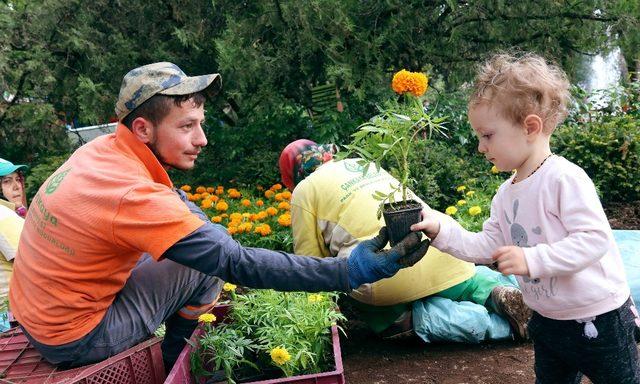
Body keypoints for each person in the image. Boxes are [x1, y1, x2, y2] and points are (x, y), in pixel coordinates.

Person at [8, 62, 430, 371]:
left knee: (202, 245)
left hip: (35, 315)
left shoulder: (101, 153)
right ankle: (178, 369)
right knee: (206, 269)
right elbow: (236, 263)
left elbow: (174, 202)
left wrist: (208, 233)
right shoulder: (131, 195)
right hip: (75, 337)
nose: (202, 139)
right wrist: (348, 271)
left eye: (201, 123)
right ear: (143, 130)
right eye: (188, 126)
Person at [412, 53, 639, 383]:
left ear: (530, 127)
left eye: (487, 135)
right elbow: (486, 246)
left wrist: (532, 259)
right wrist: (441, 229)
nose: (480, 147)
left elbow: (594, 241)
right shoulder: (505, 194)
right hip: (547, 321)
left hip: (599, 320)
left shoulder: (564, 179)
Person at [279, 139, 532, 342]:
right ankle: (495, 291)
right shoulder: (362, 163)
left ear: (292, 176)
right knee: (466, 281)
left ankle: (495, 326)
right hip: (441, 251)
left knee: (393, 317)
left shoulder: (304, 191)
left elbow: (310, 267)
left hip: (386, 281)